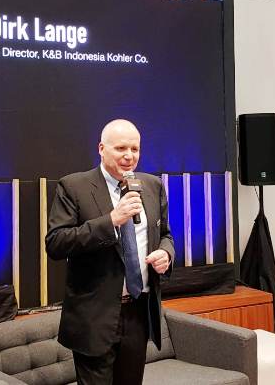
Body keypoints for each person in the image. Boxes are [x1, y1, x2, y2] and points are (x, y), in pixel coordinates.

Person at [45, 119, 174, 385]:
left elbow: (165, 235)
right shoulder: (74, 186)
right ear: (101, 149)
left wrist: (166, 254)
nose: (129, 156)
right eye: (121, 148)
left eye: (135, 149)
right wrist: (111, 220)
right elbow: (56, 243)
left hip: (138, 312)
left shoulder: (152, 185)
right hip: (94, 317)